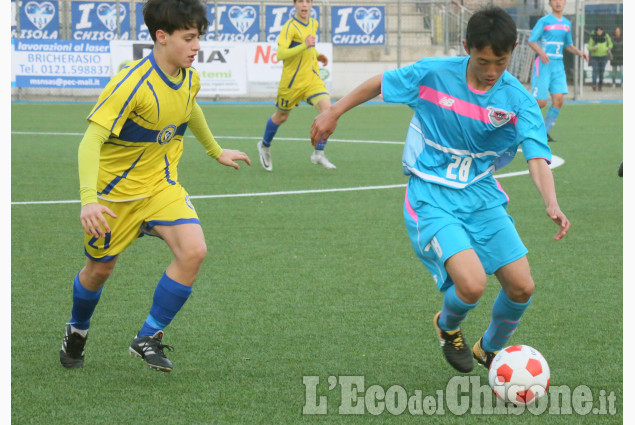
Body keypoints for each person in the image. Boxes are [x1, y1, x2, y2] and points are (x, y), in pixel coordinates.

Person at [311, 6, 570, 373]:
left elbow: (537, 157)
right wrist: (334, 111)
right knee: (472, 284)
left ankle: (489, 350)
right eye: (483, 61)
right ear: (466, 47)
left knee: (522, 288)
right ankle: (447, 327)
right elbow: (380, 83)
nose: (492, 71)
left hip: (481, 196)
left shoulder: (518, 101)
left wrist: (551, 202)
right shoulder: (434, 73)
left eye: (501, 61)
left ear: (512, 52)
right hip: (431, 194)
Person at [59, 0, 251, 373]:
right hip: (115, 198)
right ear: (161, 37)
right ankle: (77, 328)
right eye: (189, 37)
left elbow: (190, 107)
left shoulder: (190, 76)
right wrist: (88, 201)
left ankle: (148, 335)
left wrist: (215, 151)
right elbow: (90, 141)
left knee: (194, 251)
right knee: (99, 272)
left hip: (162, 188)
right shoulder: (131, 83)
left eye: (200, 37)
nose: (197, 46)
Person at [256, 0, 336, 171]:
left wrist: (316, 54)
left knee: (329, 113)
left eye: (308, 1)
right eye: (300, 1)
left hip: (311, 79)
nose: (304, 5)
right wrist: (304, 45)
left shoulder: (314, 23)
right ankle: (264, 146)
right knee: (281, 117)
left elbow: (309, 48)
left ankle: (318, 153)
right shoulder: (289, 27)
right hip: (292, 82)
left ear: (312, 4)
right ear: (294, 5)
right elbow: (281, 54)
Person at [527, 0, 588, 142]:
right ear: (550, 3)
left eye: (560, 0)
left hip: (558, 66)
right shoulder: (544, 21)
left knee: (559, 100)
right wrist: (541, 52)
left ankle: (543, 132)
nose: (558, 2)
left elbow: (568, 45)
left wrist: (579, 52)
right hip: (543, 65)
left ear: (565, 2)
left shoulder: (567, 24)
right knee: (540, 102)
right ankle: (517, 122)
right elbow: (531, 40)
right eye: (554, 0)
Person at [588, 26, 613, 91]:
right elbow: (589, 47)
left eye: (600, 30)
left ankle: (600, 85)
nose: (599, 32)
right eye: (598, 30)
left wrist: (608, 48)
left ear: (602, 31)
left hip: (603, 57)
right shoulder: (593, 37)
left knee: (601, 72)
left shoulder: (606, 36)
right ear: (596, 31)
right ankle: (594, 84)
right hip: (595, 57)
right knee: (595, 70)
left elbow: (611, 44)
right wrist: (593, 48)